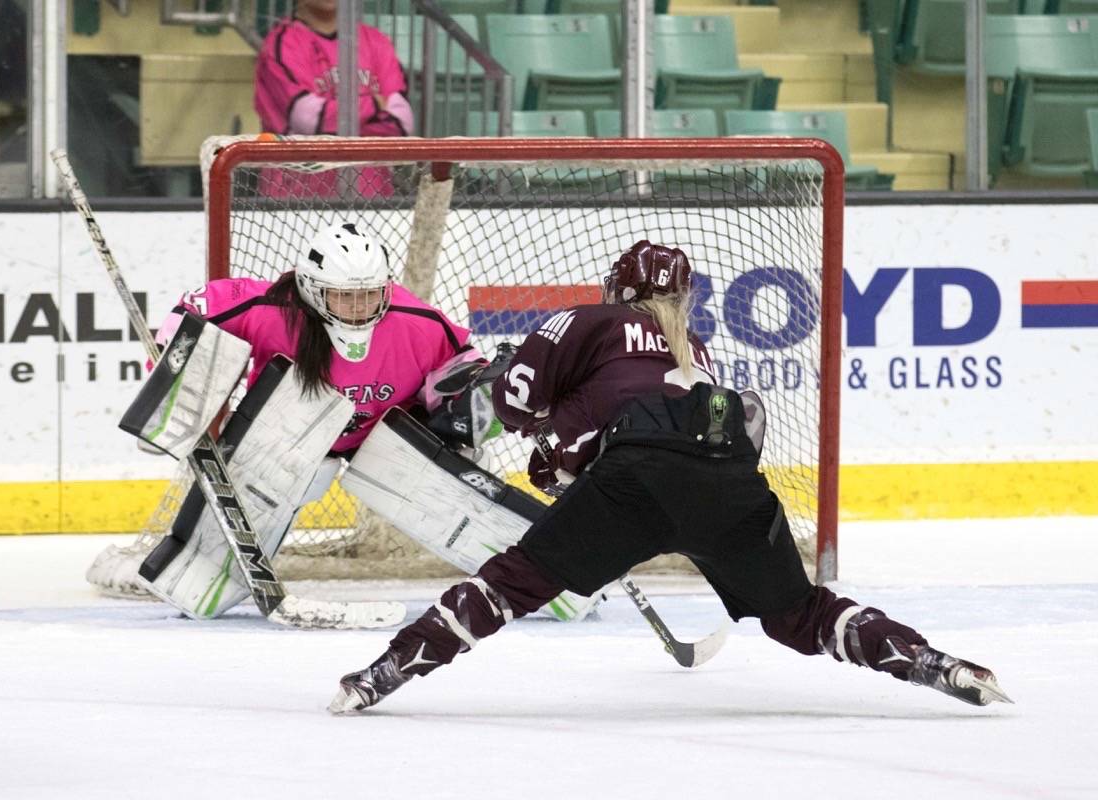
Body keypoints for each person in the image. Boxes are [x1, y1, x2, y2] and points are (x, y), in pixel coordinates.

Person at [328, 240, 1013, 714]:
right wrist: (567, 454)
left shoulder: (585, 319)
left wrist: (540, 437)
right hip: (731, 479)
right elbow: (663, 423)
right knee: (797, 615)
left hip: (635, 481)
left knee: (513, 582)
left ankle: (385, 671)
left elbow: (513, 403)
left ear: (617, 290)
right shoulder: (700, 350)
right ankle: (933, 662)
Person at [135, 222, 496, 616]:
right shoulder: (270, 308)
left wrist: (473, 402)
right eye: (343, 297)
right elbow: (197, 306)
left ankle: (524, 570)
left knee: (466, 466)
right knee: (307, 476)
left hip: (385, 430)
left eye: (370, 295)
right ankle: (205, 571)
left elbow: (463, 365)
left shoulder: (418, 322)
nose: (359, 308)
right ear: (310, 287)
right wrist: (172, 384)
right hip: (293, 428)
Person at [254, 0, 413, 197]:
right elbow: (309, 120)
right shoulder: (282, 44)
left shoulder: (376, 41)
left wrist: (334, 119)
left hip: (372, 202)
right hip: (295, 204)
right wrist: (374, 105)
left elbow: (402, 123)